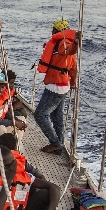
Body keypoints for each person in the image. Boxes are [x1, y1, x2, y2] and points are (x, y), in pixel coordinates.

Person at [34, 19, 81, 155]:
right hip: (64, 85)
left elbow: (69, 50)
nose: (52, 31)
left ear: (56, 31)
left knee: (40, 115)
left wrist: (76, 44)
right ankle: (59, 147)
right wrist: (72, 83)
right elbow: (73, 68)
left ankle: (55, 143)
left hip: (56, 86)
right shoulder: (65, 43)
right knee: (57, 116)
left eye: (53, 29)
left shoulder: (63, 43)